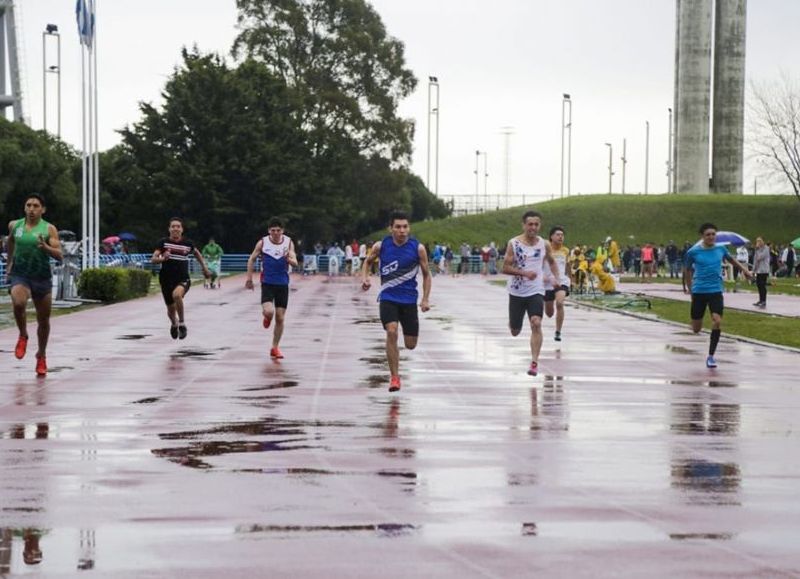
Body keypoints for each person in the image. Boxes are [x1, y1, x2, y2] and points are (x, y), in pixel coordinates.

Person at [361, 210, 431, 393]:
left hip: (409, 300)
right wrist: (365, 278)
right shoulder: (381, 246)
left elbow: (426, 274)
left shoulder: (418, 248)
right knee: (391, 332)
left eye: (405, 227)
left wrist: (425, 299)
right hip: (388, 297)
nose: (402, 230)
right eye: (398, 227)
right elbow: (368, 262)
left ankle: (398, 364)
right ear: (390, 228)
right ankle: (394, 377)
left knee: (410, 344)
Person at [6, 194, 63, 376]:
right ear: (24, 208)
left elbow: (59, 255)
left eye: (36, 206)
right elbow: (11, 242)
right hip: (21, 275)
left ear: (42, 209)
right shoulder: (15, 226)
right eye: (28, 205)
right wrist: (9, 264)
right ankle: (23, 334)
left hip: (42, 277)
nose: (31, 209)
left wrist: (46, 248)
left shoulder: (49, 229)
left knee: (43, 321)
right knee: (18, 303)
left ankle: (41, 355)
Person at [684, 222, 753, 368]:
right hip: (699, 291)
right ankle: (697, 322)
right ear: (702, 236)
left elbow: (732, 260)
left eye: (713, 234)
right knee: (696, 329)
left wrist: (745, 271)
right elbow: (687, 270)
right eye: (708, 234)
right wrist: (690, 289)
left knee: (717, 321)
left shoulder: (721, 249)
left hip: (715, 291)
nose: (711, 237)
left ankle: (711, 356)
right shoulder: (693, 252)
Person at [502, 210, 561, 377]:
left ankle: (534, 362)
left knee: (536, 323)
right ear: (524, 225)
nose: (533, 227)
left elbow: (552, 261)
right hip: (517, 291)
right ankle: (513, 322)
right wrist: (524, 273)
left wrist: (557, 279)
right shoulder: (514, 243)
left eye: (536, 224)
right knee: (515, 331)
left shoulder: (544, 244)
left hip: (536, 290)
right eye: (530, 224)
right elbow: (505, 268)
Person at [245, 217, 298, 359]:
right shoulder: (263, 242)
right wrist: (249, 278)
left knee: (280, 318)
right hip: (267, 283)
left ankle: (275, 347)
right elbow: (251, 259)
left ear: (282, 231)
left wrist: (289, 259)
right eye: (273, 230)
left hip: (282, 284)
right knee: (269, 312)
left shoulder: (288, 242)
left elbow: (295, 263)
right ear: (269, 231)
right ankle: (267, 317)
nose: (275, 233)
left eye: (278, 230)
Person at [151, 217, 212, 340]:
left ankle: (182, 324)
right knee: (170, 310)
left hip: (183, 278)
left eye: (178, 226)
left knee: (177, 295)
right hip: (166, 280)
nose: (175, 228)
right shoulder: (163, 243)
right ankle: (174, 323)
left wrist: (204, 268)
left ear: (182, 229)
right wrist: (163, 258)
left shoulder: (188, 244)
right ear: (169, 229)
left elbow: (197, 254)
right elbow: (153, 259)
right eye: (173, 226)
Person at [543, 226, 571, 342]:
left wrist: (571, 279)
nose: (561, 237)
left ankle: (558, 331)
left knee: (559, 303)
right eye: (558, 235)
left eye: (562, 235)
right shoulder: (545, 249)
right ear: (551, 236)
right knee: (549, 313)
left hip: (561, 281)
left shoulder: (566, 250)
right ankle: (549, 306)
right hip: (548, 283)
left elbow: (567, 266)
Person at [752, 237, 770, 308]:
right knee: (758, 285)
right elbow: (755, 261)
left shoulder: (766, 248)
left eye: (759, 241)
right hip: (758, 270)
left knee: (762, 285)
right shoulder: (757, 250)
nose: (758, 243)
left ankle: (764, 301)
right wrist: (754, 270)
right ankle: (760, 300)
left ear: (763, 242)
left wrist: (757, 250)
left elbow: (760, 257)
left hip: (764, 270)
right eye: (757, 241)